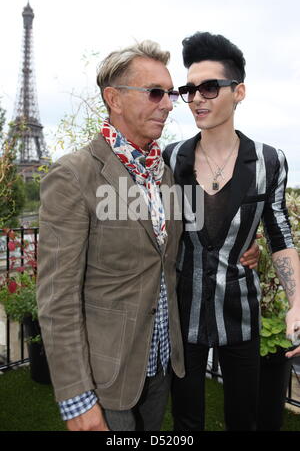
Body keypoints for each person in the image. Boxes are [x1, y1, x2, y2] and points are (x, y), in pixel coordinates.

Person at [37, 39, 259, 432]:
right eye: (156, 93)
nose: (171, 104)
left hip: (161, 365)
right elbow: (57, 298)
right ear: (115, 99)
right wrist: (77, 400)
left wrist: (245, 247)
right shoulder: (74, 175)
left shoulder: (166, 172)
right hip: (106, 374)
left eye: (170, 93)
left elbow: (180, 245)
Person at [163, 31, 300, 431]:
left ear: (238, 92)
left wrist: (296, 301)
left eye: (210, 87)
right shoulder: (172, 158)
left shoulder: (269, 162)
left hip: (241, 313)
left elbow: (280, 235)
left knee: (245, 418)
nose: (197, 98)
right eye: (190, 89)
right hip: (182, 312)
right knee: (186, 421)